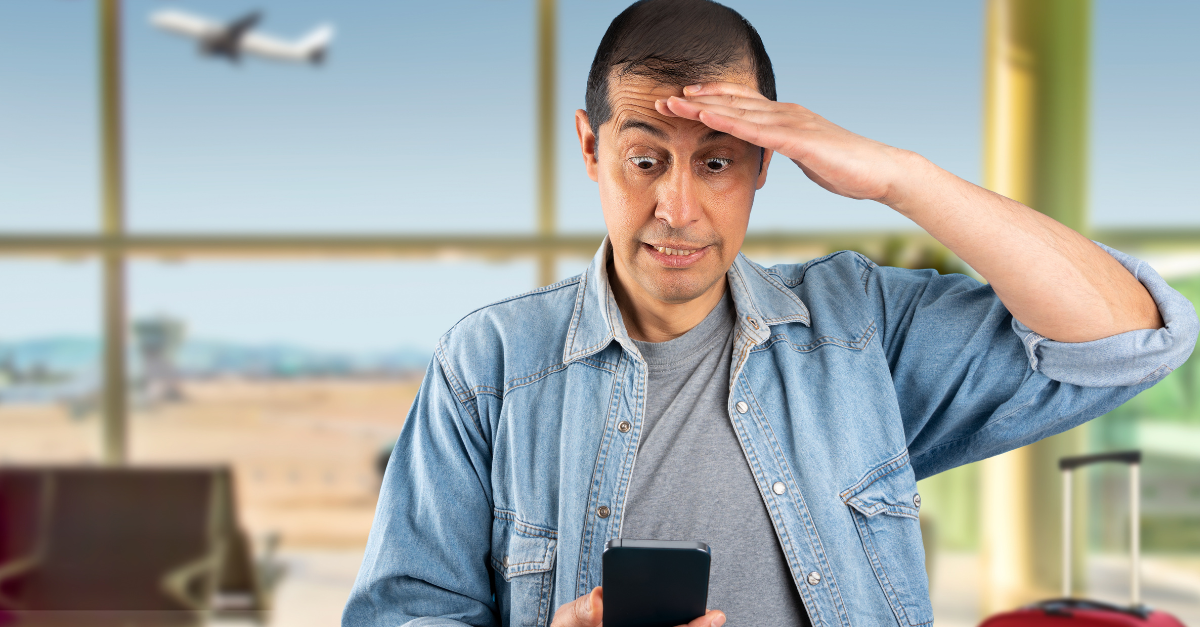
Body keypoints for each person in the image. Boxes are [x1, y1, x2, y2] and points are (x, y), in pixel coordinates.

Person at [343, 1, 1198, 625]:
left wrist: (899, 176)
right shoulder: (488, 363)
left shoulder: (859, 331)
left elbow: (1129, 338)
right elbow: (400, 613)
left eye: (717, 163)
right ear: (590, 145)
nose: (677, 208)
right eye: (645, 159)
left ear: (765, 165)